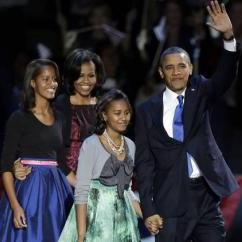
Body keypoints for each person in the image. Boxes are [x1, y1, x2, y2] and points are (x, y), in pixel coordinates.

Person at [134, 1, 240, 242]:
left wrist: (228, 37)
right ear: (161, 73)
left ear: (190, 68)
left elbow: (224, 76)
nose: (176, 72)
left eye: (182, 66)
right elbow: (144, 162)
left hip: (205, 197)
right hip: (169, 202)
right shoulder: (146, 110)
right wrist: (149, 209)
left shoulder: (200, 91)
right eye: (169, 68)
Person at [0, 59, 75, 242]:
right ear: (33, 83)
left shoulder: (61, 118)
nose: (52, 84)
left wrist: (88, 188)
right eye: (46, 79)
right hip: (28, 193)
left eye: (55, 79)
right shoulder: (19, 118)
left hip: (56, 195)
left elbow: (63, 165)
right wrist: (16, 206)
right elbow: (6, 165)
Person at [58, 89, 142, 242]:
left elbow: (126, 189)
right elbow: (81, 190)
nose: (123, 118)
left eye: (127, 112)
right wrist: (81, 234)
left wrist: (146, 215)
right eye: (117, 113)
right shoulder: (91, 144)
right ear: (104, 115)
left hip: (124, 221)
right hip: (96, 220)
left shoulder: (130, 145)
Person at [13, 48, 106, 180]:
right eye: (79, 75)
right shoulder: (57, 106)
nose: (86, 81)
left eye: (91, 75)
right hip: (62, 178)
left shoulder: (105, 106)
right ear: (70, 76)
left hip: (99, 178)